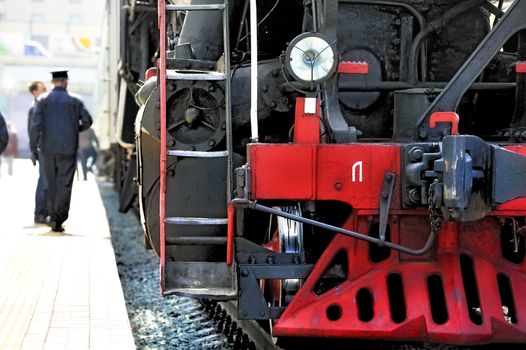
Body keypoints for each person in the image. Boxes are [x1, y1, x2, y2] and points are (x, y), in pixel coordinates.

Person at [29, 70, 93, 232]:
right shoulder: (75, 100)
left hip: (48, 149)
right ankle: (59, 219)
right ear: (66, 81)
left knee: (51, 183)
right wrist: (74, 129)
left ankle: (51, 216)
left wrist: (33, 149)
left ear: (52, 82)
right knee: (65, 184)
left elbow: (35, 127)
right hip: (68, 148)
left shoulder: (42, 100)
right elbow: (87, 121)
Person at [28, 80, 49, 223]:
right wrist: (33, 150)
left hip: (46, 147)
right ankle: (39, 213)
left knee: (46, 181)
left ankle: (44, 212)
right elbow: (32, 130)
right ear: (35, 92)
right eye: (43, 88)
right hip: (42, 148)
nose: (46, 90)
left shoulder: (42, 104)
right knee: (44, 182)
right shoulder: (34, 107)